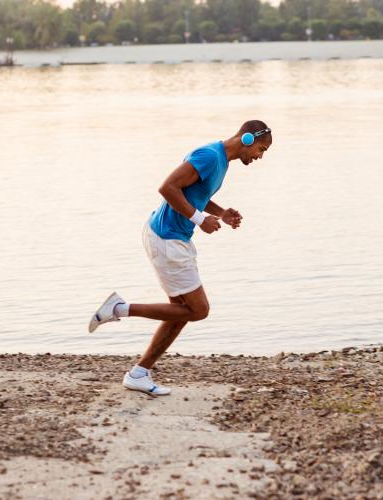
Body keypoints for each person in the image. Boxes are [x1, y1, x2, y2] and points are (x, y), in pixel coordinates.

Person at [88, 120, 273, 395]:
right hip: (167, 238)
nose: (260, 156)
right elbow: (168, 188)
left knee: (180, 312)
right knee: (198, 310)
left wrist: (220, 213)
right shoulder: (209, 156)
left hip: (170, 237)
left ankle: (139, 373)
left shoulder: (220, 160)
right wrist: (200, 219)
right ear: (247, 139)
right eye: (261, 149)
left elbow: (193, 192)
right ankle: (118, 309)